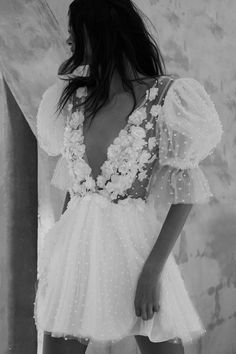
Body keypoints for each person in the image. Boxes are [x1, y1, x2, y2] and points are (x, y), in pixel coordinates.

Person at [34, 0, 224, 353]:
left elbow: (185, 192)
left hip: (137, 253)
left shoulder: (165, 98)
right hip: (74, 255)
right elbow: (73, 190)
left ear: (99, 32)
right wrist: (55, 262)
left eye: (75, 30)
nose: (69, 41)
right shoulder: (72, 99)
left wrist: (153, 270)